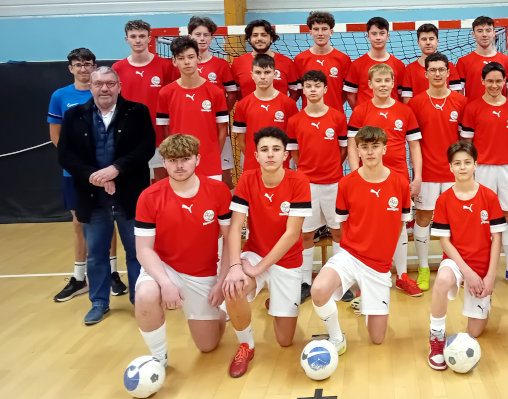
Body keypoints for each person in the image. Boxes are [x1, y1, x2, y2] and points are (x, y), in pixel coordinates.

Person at [58, 66, 155, 325]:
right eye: (99, 84)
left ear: (119, 86)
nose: (105, 89)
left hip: (131, 196)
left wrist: (116, 169)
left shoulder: (138, 111)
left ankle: (140, 300)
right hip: (93, 197)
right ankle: (99, 302)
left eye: (110, 84)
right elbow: (65, 155)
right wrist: (94, 176)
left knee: (137, 252)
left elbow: (146, 148)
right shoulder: (74, 115)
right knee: (96, 254)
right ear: (90, 86)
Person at [310, 126, 412, 353]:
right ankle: (337, 337)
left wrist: (382, 255)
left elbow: (399, 225)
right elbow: (342, 225)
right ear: (357, 151)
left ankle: (367, 296)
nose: (370, 152)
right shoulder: (346, 184)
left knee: (377, 338)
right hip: (351, 256)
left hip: (379, 267)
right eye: (364, 147)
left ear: (385, 148)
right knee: (319, 290)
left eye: (375, 146)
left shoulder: (400, 183)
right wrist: (357, 248)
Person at [133, 134, 230, 370]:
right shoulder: (149, 196)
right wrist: (165, 283)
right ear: (164, 162)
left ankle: (217, 315)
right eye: (172, 160)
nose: (179, 166)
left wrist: (221, 281)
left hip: (202, 273)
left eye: (185, 159)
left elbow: (231, 240)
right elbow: (143, 249)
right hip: (164, 268)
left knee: (207, 346)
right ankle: (159, 360)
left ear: (197, 159)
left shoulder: (218, 190)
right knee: (145, 295)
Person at [223, 127, 311, 377]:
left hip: (287, 261)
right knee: (234, 288)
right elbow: (235, 227)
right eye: (264, 150)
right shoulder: (247, 179)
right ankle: (246, 345)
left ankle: (275, 298)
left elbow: (292, 234)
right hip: (255, 253)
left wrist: (260, 269)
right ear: (256, 155)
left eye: (275, 149)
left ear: (285, 155)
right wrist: (234, 267)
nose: (270, 154)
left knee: (285, 341)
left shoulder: (299, 181)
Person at [49, 48, 126, 302]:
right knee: (79, 222)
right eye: (78, 64)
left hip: (107, 173)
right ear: (70, 68)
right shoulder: (60, 96)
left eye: (88, 64)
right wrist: (82, 168)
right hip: (77, 174)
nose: (83, 68)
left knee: (110, 219)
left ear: (94, 67)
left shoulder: (108, 93)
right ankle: (79, 277)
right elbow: (57, 137)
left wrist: (106, 169)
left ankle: (113, 274)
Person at [426, 141, 505, 370]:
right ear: (450, 167)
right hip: (456, 261)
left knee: (475, 332)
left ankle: (485, 304)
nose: (462, 167)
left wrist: (490, 276)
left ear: (475, 165)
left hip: (482, 266)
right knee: (442, 280)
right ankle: (436, 337)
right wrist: (467, 272)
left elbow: (497, 239)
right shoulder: (443, 199)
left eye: (467, 162)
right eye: (457, 163)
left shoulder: (489, 197)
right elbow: (445, 241)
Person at [347, 63, 422, 296]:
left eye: (386, 80)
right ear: (370, 84)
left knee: (399, 225)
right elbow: (352, 145)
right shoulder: (361, 111)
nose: (382, 85)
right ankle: (366, 277)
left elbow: (414, 146)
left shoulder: (405, 111)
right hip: (367, 178)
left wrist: (417, 177)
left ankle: (402, 276)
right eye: (378, 81)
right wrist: (355, 174)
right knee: (368, 226)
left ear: (393, 83)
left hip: (398, 178)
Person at [460, 62, 508, 288]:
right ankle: (475, 267)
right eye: (490, 81)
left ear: (505, 81)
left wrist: (503, 156)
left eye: (499, 81)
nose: (495, 85)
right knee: (480, 217)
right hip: (482, 169)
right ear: (482, 82)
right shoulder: (472, 108)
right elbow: (467, 143)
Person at [408, 52, 468, 291]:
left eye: (441, 69)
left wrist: (465, 169)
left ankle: (455, 266)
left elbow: (465, 140)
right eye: (432, 70)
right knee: (423, 218)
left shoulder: (461, 102)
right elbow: (413, 143)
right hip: (428, 172)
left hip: (455, 173)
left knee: (458, 220)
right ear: (426, 73)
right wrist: (417, 174)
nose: (437, 74)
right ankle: (423, 268)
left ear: (448, 72)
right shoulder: (416, 103)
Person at [286, 70, 348, 303]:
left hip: (333, 183)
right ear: (303, 89)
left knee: (338, 231)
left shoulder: (337, 117)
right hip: (307, 185)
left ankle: (339, 279)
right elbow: (295, 153)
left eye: (317, 86)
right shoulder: (295, 121)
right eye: (308, 86)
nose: (313, 90)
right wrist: (307, 172)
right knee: (306, 233)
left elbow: (343, 149)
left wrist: (332, 168)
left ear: (325, 89)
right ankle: (304, 281)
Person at [112, 19, 179, 181]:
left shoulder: (166, 66)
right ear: (126, 39)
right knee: (133, 182)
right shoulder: (117, 68)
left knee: (162, 181)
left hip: (160, 135)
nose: (138, 40)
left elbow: (176, 99)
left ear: (149, 38)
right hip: (129, 135)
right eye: (133, 36)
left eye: (142, 36)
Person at [156, 36, 229, 180]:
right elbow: (165, 130)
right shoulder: (165, 93)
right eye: (181, 58)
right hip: (179, 166)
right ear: (174, 61)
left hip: (210, 165)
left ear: (198, 58)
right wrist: (176, 156)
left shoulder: (216, 92)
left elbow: (222, 129)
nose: (187, 62)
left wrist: (213, 155)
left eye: (190, 57)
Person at [188, 16, 241, 189]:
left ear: (212, 38)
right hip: (191, 129)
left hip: (218, 130)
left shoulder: (221, 64)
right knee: (190, 173)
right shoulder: (183, 64)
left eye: (206, 35)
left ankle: (227, 205)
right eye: (198, 34)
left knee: (224, 175)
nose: (202, 38)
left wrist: (220, 115)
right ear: (190, 36)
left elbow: (232, 93)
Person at [231, 54, 298, 172]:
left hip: (281, 167)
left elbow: (294, 139)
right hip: (253, 167)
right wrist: (258, 159)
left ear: (275, 74)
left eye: (267, 72)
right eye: (258, 72)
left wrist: (280, 159)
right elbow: (241, 141)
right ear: (252, 75)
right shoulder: (242, 105)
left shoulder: (289, 104)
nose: (262, 77)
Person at [294, 11, 352, 113]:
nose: (320, 33)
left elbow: (347, 92)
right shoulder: (300, 59)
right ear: (310, 32)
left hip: (335, 116)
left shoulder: (343, 59)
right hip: (308, 116)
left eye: (324, 29)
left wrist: (332, 107)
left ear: (331, 32)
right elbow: (297, 92)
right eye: (316, 29)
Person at [343, 17, 406, 107]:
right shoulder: (356, 65)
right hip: (366, 115)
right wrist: (361, 113)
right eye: (374, 34)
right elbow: (350, 95)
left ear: (388, 36)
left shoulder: (399, 65)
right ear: (368, 36)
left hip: (392, 114)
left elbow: (401, 96)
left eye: (382, 33)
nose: (378, 38)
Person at [232, 19, 300, 100]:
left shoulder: (287, 62)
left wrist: (284, 106)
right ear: (249, 39)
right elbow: (235, 93)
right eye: (255, 35)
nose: (259, 38)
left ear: (271, 38)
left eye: (264, 35)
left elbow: (295, 93)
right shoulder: (238, 63)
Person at [456, 16, 508, 100]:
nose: (484, 34)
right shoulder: (463, 62)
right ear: (473, 34)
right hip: (473, 108)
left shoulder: (506, 60)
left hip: (499, 108)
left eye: (488, 30)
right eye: (480, 31)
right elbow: (459, 93)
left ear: (494, 33)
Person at [400, 23, 461, 102]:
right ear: (418, 42)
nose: (428, 42)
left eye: (431, 39)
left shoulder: (450, 66)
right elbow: (407, 100)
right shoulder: (410, 69)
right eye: (424, 39)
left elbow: (456, 97)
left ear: (437, 41)